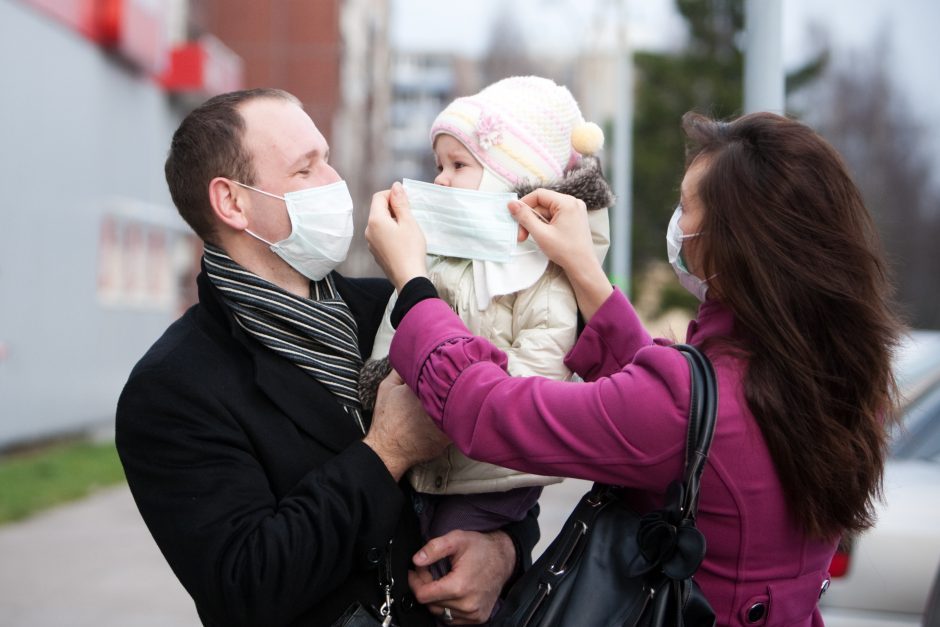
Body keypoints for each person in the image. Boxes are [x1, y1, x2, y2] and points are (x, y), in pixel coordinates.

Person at [365, 111, 904, 626]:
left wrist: (414, 287)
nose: (678, 222)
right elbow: (680, 418)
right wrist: (581, 267)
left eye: (687, 207)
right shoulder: (839, 374)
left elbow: (489, 410)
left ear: (734, 243)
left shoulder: (689, 405)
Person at [115, 88, 539, 627]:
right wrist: (386, 451)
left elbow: (505, 464)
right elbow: (245, 585)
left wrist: (502, 551)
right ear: (232, 202)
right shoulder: (173, 387)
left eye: (327, 157)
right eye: (305, 168)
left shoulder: (393, 309)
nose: (335, 181)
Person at [359, 76, 613, 588]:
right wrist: (380, 381)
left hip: (495, 473)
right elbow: (398, 320)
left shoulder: (544, 273)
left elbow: (540, 370)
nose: (443, 180)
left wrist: (459, 392)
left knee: (450, 573)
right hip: (429, 460)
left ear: (509, 177)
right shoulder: (436, 252)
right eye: (439, 166)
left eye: (460, 166)